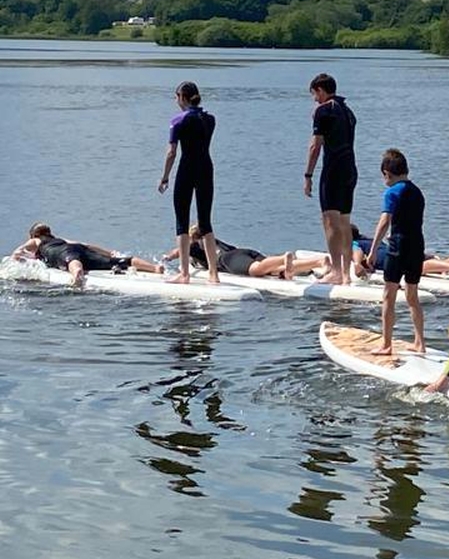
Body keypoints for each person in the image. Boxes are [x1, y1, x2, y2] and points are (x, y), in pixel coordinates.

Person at [158, 80, 220, 284]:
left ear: (183, 97)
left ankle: (184, 273)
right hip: (206, 169)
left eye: (176, 96)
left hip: (187, 170)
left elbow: (171, 152)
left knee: (181, 222)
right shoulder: (210, 119)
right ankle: (214, 273)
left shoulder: (178, 120)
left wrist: (165, 177)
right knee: (205, 222)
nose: (175, 100)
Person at [369, 149, 427, 356]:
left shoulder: (393, 192)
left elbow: (385, 221)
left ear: (386, 172)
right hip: (417, 245)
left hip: (398, 246)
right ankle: (420, 342)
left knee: (388, 295)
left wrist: (373, 250)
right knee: (413, 296)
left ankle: (386, 344)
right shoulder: (417, 191)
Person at [305, 73, 358, 285]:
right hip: (350, 169)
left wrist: (308, 175)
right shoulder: (348, 111)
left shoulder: (323, 110)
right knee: (344, 221)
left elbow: (315, 146)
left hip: (333, 170)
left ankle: (335, 271)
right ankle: (345, 273)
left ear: (320, 90)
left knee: (329, 220)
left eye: (314, 94)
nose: (314, 99)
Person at [11, 222, 163, 288]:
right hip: (78, 249)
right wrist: (109, 253)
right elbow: (85, 245)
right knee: (117, 261)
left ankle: (77, 274)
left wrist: (18, 255)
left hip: (66, 254)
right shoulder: (61, 239)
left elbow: (20, 250)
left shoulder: (37, 240)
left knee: (73, 262)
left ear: (33, 235)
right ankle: (155, 268)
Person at [164, 229, 328, 280]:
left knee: (257, 270)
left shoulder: (195, 245)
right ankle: (318, 262)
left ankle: (283, 257)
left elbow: (179, 250)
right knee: (275, 270)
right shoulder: (212, 240)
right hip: (243, 251)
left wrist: (167, 257)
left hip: (229, 260)